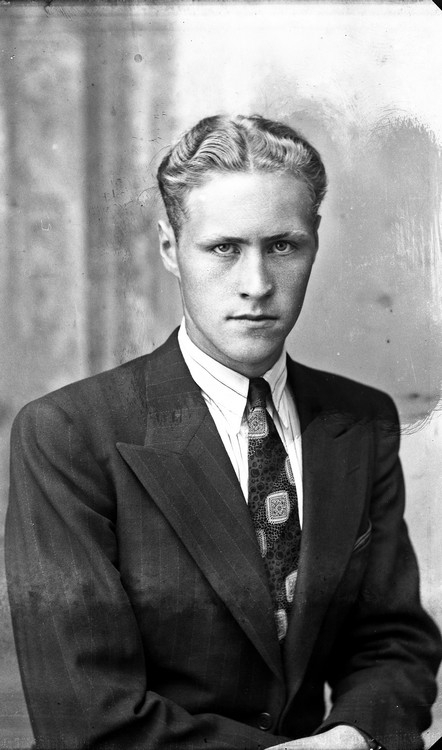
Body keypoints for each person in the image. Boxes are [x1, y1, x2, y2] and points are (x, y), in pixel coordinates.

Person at [5, 114, 441, 750]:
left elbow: (393, 640)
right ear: (170, 249)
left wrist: (354, 737)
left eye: (283, 246)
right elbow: (85, 717)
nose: (256, 285)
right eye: (224, 248)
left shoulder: (359, 420)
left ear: (315, 243)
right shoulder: (68, 433)